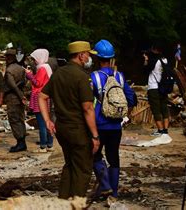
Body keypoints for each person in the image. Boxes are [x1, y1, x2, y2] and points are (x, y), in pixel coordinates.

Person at [39, 41, 100, 199]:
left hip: (62, 128)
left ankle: (63, 202)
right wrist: (95, 135)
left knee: (70, 165)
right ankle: (76, 204)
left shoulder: (58, 73)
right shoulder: (82, 77)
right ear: (81, 55)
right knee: (83, 169)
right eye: (88, 54)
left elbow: (42, 96)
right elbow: (87, 108)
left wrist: (47, 121)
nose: (89, 58)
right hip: (78, 129)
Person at [90, 40, 136, 201]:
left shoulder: (94, 77)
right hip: (116, 125)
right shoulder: (120, 77)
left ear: (97, 58)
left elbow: (87, 103)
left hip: (99, 124)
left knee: (95, 155)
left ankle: (105, 185)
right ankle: (114, 193)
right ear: (111, 59)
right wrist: (125, 115)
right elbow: (132, 98)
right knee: (113, 157)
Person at [26, 49, 53, 151]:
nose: (34, 61)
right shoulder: (47, 68)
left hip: (39, 98)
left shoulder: (42, 69)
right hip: (46, 97)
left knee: (42, 123)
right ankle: (49, 143)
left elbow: (37, 83)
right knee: (47, 121)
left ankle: (43, 145)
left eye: (34, 59)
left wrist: (29, 75)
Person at [144, 44, 170, 136]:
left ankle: (160, 130)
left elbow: (146, 69)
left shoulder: (154, 60)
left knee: (156, 109)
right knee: (164, 108)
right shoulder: (165, 60)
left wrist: (146, 59)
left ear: (155, 50)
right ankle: (165, 130)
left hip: (154, 87)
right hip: (163, 87)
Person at [4, 48, 27, 152]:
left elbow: (12, 85)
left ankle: (20, 142)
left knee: (14, 119)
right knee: (20, 119)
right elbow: (24, 82)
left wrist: (20, 95)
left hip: (13, 97)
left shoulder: (9, 70)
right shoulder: (21, 68)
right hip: (20, 95)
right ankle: (22, 141)